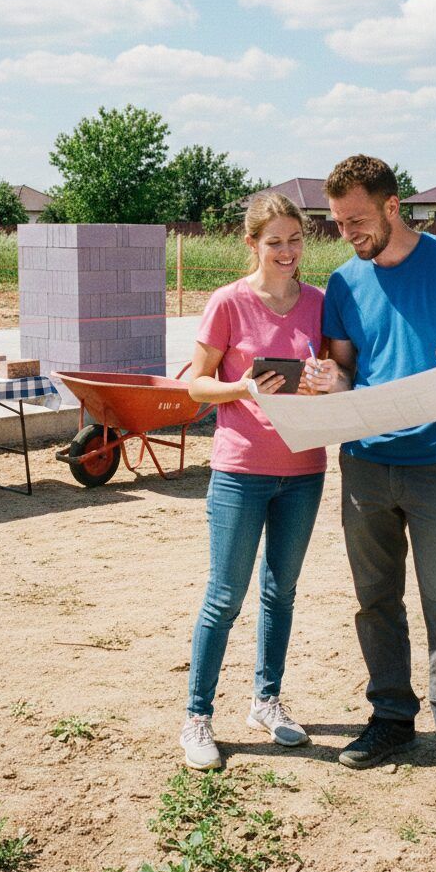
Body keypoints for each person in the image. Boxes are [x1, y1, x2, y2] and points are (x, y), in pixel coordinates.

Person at [307, 155, 436, 817]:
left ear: (393, 206)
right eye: (338, 223)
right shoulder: (342, 281)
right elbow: (343, 374)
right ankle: (392, 720)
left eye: (358, 220)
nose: (349, 233)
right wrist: (323, 386)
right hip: (365, 463)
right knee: (375, 602)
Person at [180, 192, 327, 771]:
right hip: (241, 470)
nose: (286, 251)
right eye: (274, 242)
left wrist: (326, 375)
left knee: (281, 592)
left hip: (304, 470)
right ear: (252, 243)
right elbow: (195, 385)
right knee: (224, 597)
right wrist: (244, 388)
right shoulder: (229, 303)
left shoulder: (318, 302)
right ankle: (197, 717)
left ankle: (266, 701)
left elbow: (341, 372)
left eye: (295, 240)